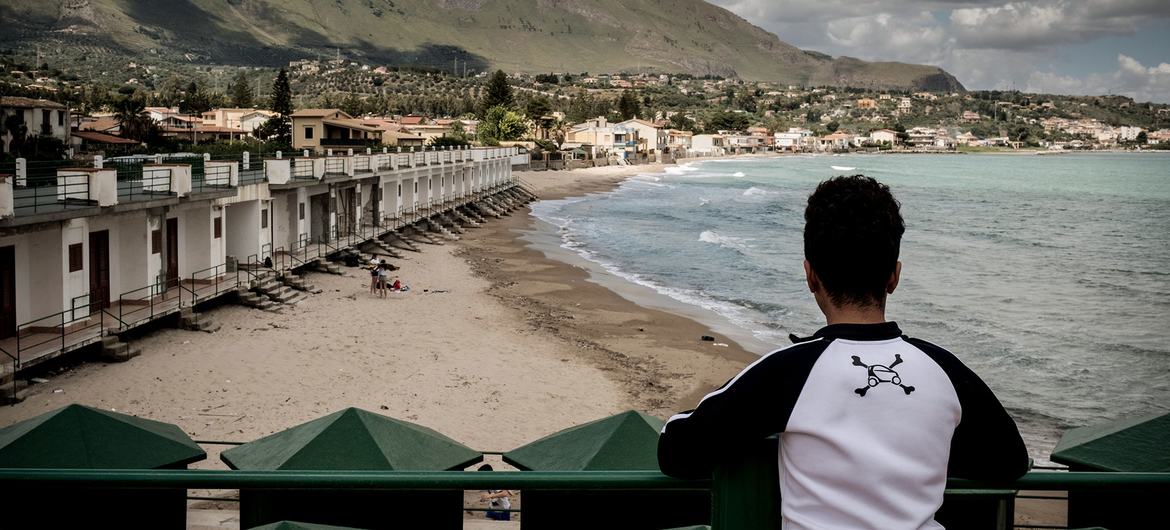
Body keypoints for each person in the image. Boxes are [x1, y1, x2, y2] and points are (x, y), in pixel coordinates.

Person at [657, 175, 1028, 530]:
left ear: (811, 276)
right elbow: (1009, 461)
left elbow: (677, 451)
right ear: (894, 277)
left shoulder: (787, 372)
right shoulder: (944, 369)